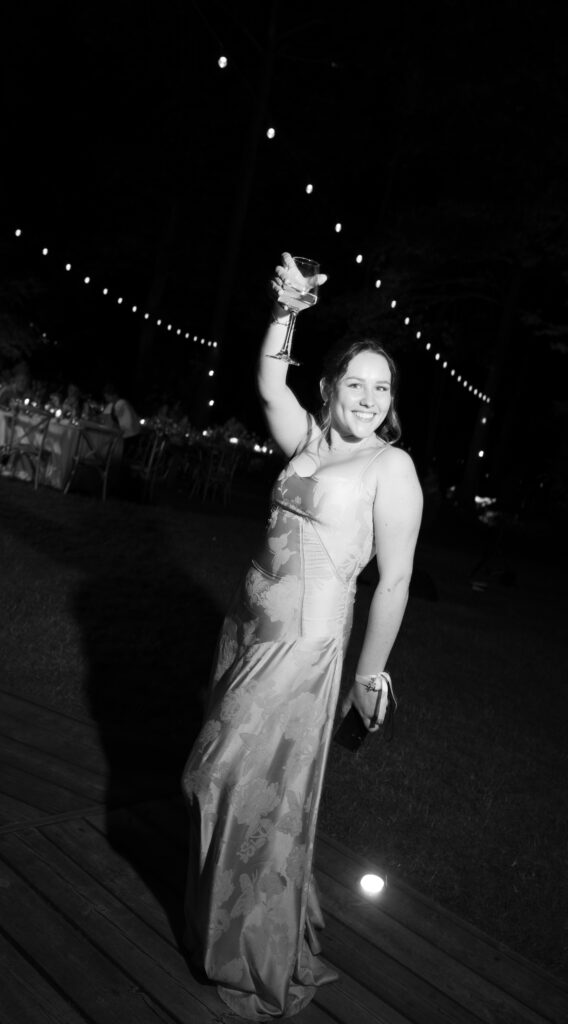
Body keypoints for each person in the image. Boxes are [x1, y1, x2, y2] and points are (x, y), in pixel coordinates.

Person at [181, 252, 423, 1019]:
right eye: (356, 383)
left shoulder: (391, 468)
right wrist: (286, 311)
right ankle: (228, 928)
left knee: (215, 777)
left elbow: (394, 581)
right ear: (331, 388)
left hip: (305, 643)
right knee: (244, 787)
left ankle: (247, 943)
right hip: (247, 626)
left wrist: (368, 676)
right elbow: (266, 385)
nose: (369, 398)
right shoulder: (308, 441)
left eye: (382, 388)